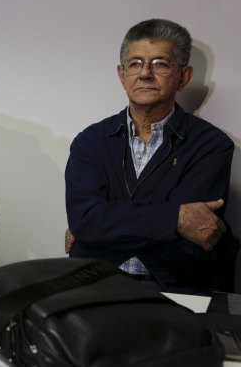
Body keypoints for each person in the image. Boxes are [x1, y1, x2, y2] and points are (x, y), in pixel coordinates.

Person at [64, 18, 237, 295]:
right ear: (122, 75)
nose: (145, 73)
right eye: (135, 63)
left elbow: (194, 240)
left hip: (174, 289)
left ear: (184, 76)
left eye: (160, 64)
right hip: (95, 284)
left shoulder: (211, 146)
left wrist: (101, 226)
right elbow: (85, 220)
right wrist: (176, 218)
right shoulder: (90, 141)